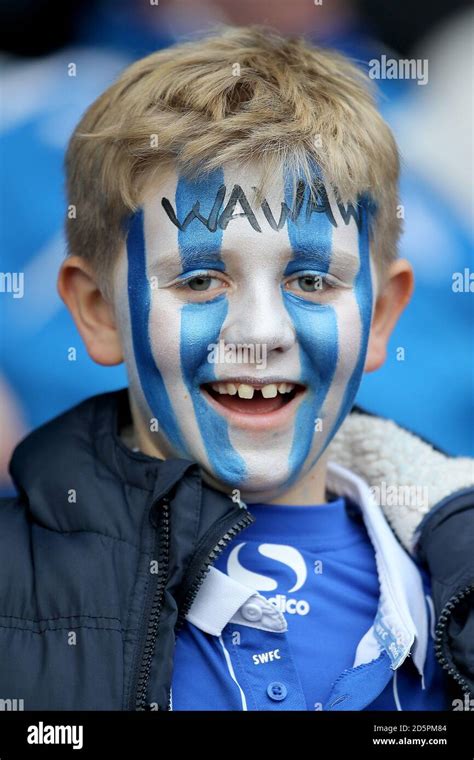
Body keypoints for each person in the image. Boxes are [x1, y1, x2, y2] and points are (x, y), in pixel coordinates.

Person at [0, 26, 472, 711]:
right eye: (199, 281)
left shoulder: (456, 585)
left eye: (311, 281)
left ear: (381, 317)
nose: (260, 333)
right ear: (99, 310)